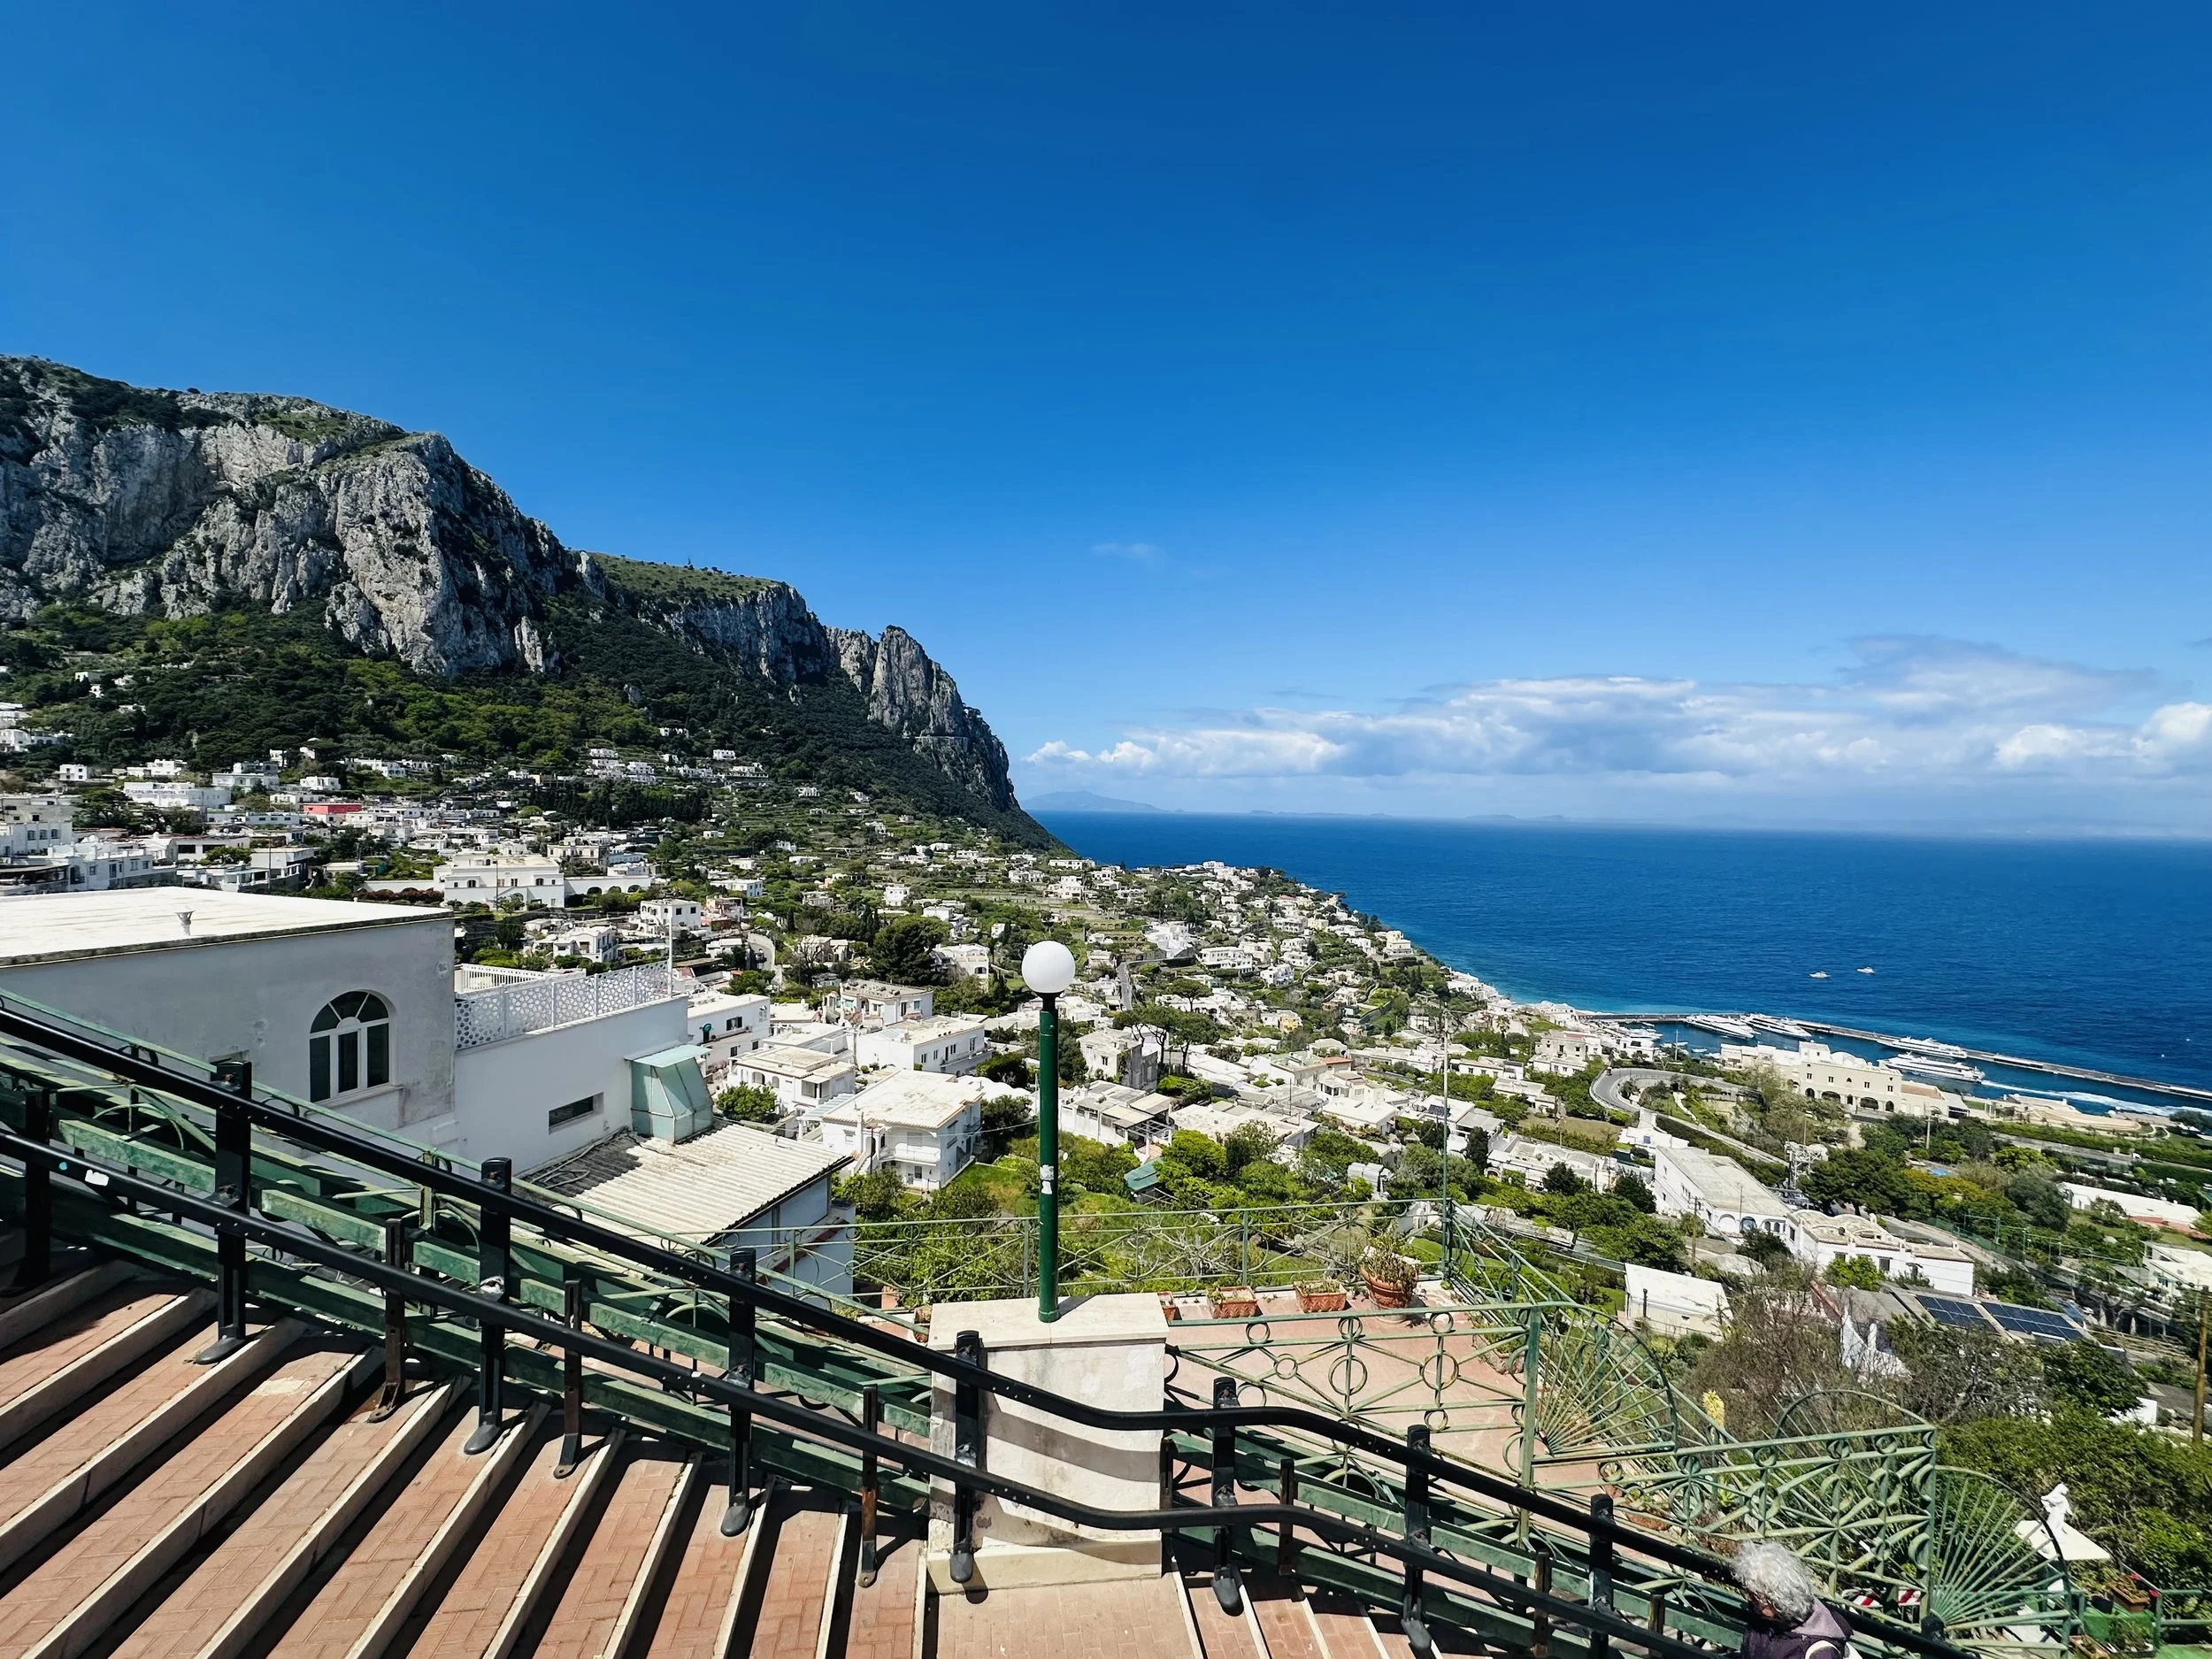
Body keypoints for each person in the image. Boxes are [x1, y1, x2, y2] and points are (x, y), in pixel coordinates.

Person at [1733, 1540, 1855, 1659]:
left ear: (1778, 1601)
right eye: (1749, 1596)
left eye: (1756, 1600)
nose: (1752, 1603)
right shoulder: (1766, 1621)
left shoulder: (1820, 1652)